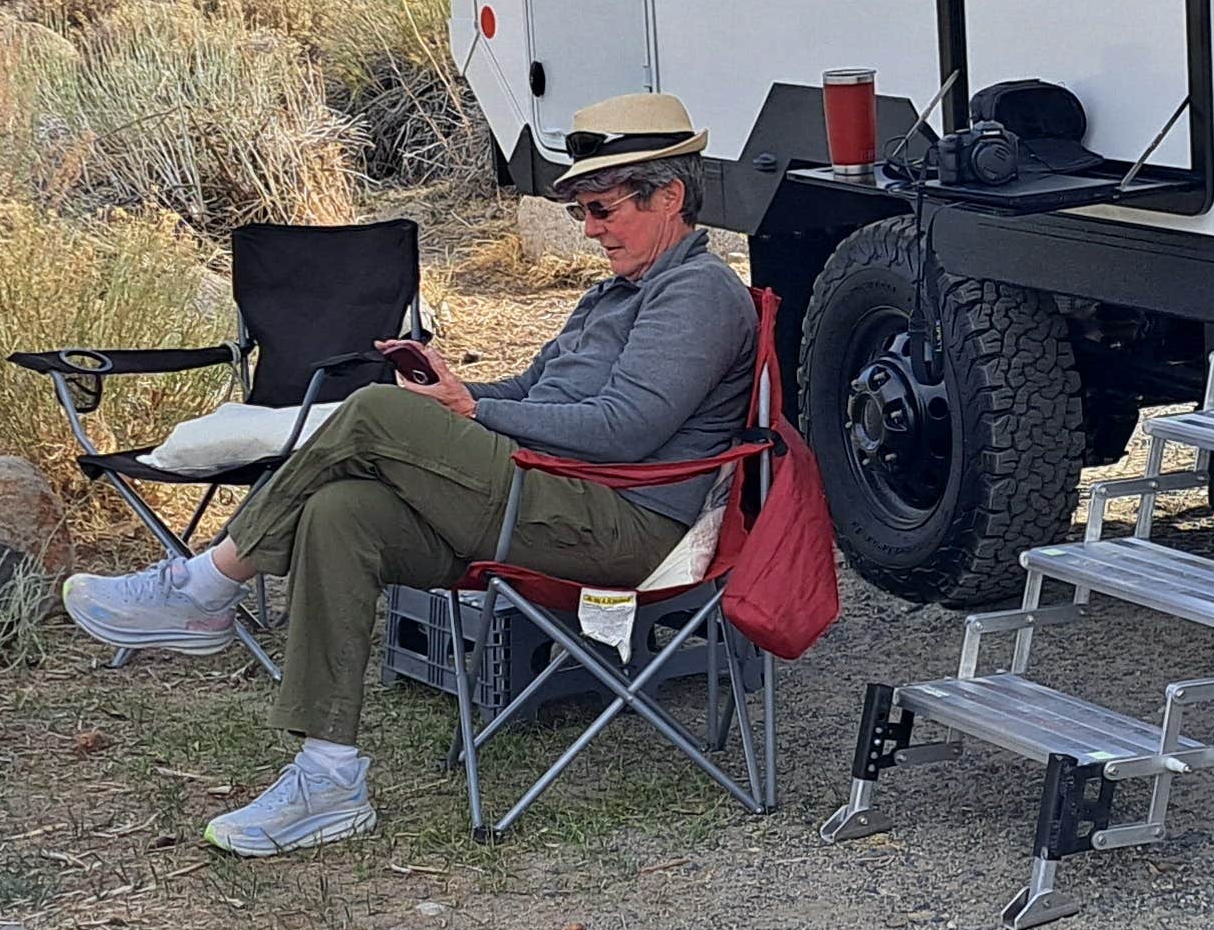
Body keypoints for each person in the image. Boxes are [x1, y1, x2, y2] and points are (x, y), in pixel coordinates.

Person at [60, 92, 753, 854]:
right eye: (580, 211)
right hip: (547, 498)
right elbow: (531, 393)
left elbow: (627, 430)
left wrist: (467, 416)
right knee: (343, 514)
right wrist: (458, 396)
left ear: (671, 196)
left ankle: (204, 587)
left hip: (627, 525)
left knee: (379, 415)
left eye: (600, 208)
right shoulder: (615, 293)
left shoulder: (696, 293)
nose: (587, 229)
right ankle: (328, 777)